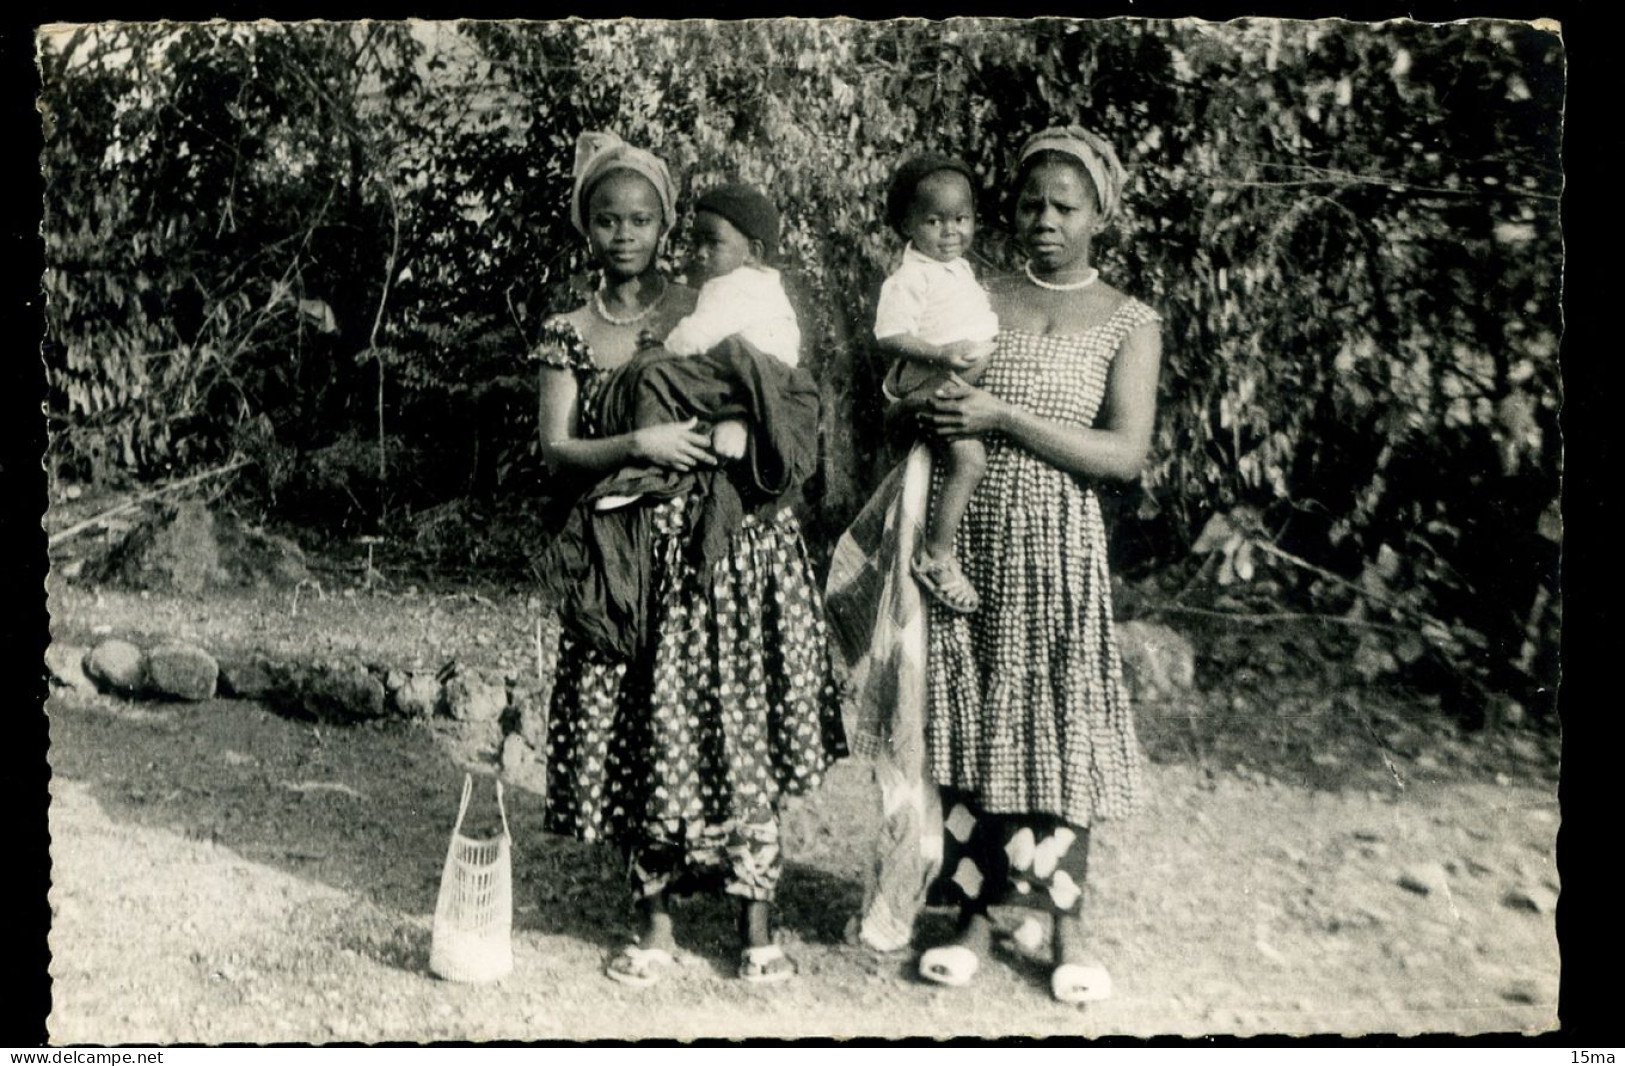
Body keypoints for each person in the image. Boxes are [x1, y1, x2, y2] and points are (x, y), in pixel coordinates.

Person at [530, 131, 847, 988]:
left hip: (730, 552)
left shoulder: (707, 303)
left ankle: (755, 922)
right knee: (646, 731)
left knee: (735, 725)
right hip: (633, 553)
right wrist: (640, 438)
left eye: (640, 219)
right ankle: (655, 921)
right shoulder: (570, 331)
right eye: (606, 220)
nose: (623, 234)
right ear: (585, 227)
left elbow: (778, 392)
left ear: (667, 225)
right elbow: (556, 451)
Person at [902, 124, 1161, 1004]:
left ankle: (1062, 926)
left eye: (1064, 206)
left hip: (1058, 543)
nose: (1043, 220)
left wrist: (1001, 419)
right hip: (971, 530)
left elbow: (1123, 454)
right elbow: (912, 381)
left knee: (1056, 719)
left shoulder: (1129, 321)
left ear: (1099, 216)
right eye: (1027, 204)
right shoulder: (977, 297)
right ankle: (971, 913)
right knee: (971, 719)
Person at [873, 154, 1001, 615]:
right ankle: (937, 555)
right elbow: (889, 335)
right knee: (970, 459)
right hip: (932, 382)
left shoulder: (958, 268)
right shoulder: (909, 278)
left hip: (952, 379)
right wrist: (941, 353)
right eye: (934, 221)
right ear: (908, 224)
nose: (951, 232)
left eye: (961, 219)